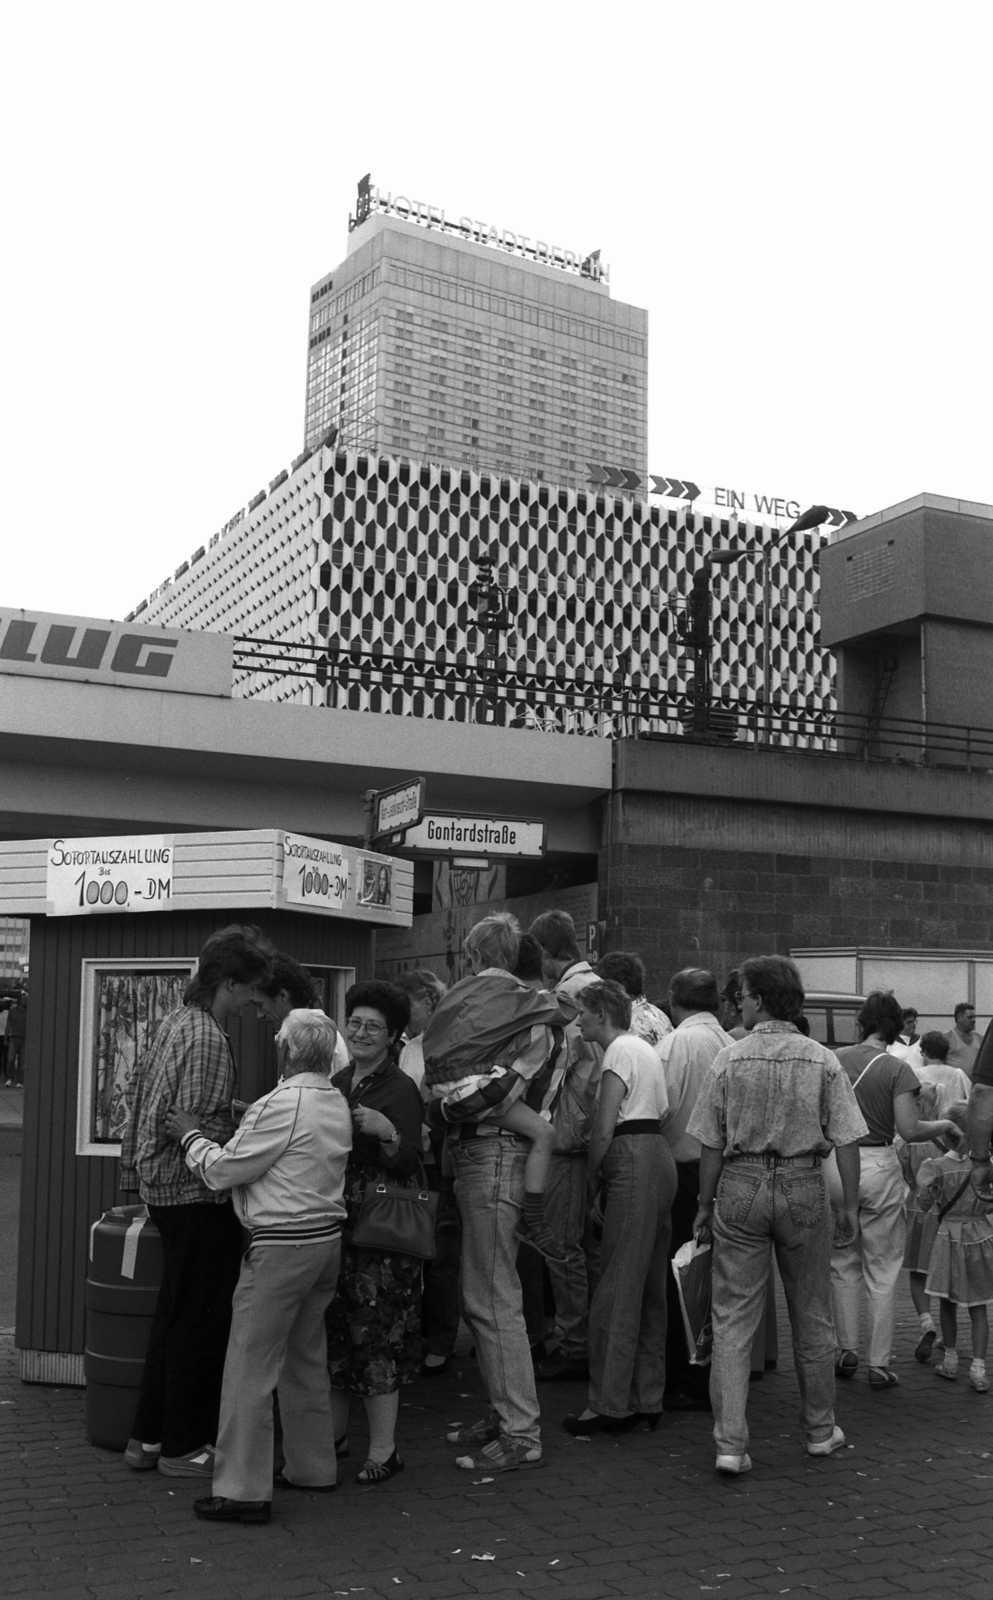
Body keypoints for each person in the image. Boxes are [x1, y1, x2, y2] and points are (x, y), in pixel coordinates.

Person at [164, 1010, 351, 1524]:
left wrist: (189, 1136)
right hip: (324, 1244)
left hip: (281, 1248)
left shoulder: (280, 1103)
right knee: (305, 1358)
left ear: (285, 1050)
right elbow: (293, 1141)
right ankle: (314, 1467)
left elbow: (224, 1171)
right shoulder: (333, 1100)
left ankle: (243, 1490)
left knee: (249, 1367)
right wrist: (252, 1117)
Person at [687, 954, 867, 1475]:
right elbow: (848, 1140)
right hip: (803, 1183)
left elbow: (711, 1144)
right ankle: (818, 1429)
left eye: (741, 995)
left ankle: (730, 1443)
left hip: (740, 1184)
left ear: (760, 1000)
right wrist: (848, 1205)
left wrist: (704, 1205)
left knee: (733, 1317)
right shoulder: (822, 1060)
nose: (736, 1003)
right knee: (812, 1312)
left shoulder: (729, 1059)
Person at [119, 926, 272, 1478]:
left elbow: (149, 1103)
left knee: (172, 1316)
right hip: (194, 1195)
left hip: (161, 1191)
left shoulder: (174, 1022)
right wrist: (248, 1131)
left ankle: (147, 1438)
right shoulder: (208, 1035)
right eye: (250, 989)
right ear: (227, 982)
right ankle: (185, 1447)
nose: (254, 1001)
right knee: (200, 1323)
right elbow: (193, 1129)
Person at [422, 912, 564, 1473]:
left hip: (494, 1156)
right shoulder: (521, 1010)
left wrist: (443, 1099)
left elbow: (492, 1095)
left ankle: (520, 1432)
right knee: (484, 1294)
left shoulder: (524, 1014)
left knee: (493, 1297)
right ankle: (505, 1412)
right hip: (491, 1154)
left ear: (475, 958)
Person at [827, 990, 964, 1390]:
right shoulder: (897, 1070)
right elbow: (908, 1129)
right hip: (879, 1164)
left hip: (836, 1165)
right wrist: (944, 1126)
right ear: (893, 1027)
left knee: (842, 1261)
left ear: (861, 1022)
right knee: (882, 1267)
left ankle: (845, 1348)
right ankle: (878, 1362)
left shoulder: (834, 1060)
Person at [561, 979, 676, 1434]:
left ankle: (609, 1404)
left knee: (614, 1288)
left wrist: (592, 1179)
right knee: (649, 1286)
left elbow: (604, 1127)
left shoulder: (618, 1053)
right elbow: (663, 1111)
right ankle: (648, 1395)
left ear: (603, 1014)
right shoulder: (646, 1049)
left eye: (584, 1013)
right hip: (657, 1156)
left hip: (630, 1156)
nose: (579, 1020)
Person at [325, 980, 425, 1484]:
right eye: (356, 1023)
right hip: (337, 1224)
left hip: (381, 1235)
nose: (361, 1033)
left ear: (392, 1036)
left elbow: (411, 1161)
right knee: (336, 1334)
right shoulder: (337, 1079)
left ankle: (384, 1450)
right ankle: (334, 1438)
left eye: (373, 1027)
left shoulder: (401, 1088)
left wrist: (387, 1131)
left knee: (377, 1336)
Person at [422, 915, 564, 1263]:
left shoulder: (457, 994)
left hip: (443, 1083)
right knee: (545, 1133)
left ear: (473, 954)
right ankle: (534, 1215)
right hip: (481, 1095)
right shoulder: (517, 998)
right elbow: (545, 1017)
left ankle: (446, 1201)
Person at [527, 910, 601, 1382]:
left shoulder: (566, 998)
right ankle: (584, 1337)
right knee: (582, 1247)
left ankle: (574, 1345)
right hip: (588, 1137)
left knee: (561, 1245)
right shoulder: (596, 985)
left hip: (567, 1138)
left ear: (549, 955)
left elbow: (564, 1068)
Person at [656, 967, 734, 1410]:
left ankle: (686, 1374)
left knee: (682, 1274)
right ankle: (717, 1369)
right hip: (728, 1172)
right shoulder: (730, 1043)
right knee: (719, 1276)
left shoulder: (675, 1044)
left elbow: (659, 1106)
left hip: (686, 1171)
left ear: (674, 998)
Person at [393, 969, 459, 1377]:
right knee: (416, 1246)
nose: (405, 1015)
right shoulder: (409, 1047)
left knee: (443, 1251)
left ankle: (441, 1337)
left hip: (443, 1157)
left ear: (430, 1002)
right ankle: (419, 1332)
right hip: (416, 1156)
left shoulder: (453, 1038)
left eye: (409, 1006)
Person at [917, 1103, 993, 1393]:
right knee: (978, 1306)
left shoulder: (936, 1167)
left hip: (948, 1235)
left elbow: (924, 1203)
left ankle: (950, 1360)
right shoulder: (985, 1167)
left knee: (947, 1301)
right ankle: (978, 1368)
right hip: (980, 1235)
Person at [256, 951, 348, 1074]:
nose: (259, 1014)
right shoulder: (324, 1031)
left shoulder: (300, 1036)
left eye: (260, 1005)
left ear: (283, 996)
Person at [597, 952, 672, 1050]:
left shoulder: (628, 1027)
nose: (599, 994)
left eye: (603, 988)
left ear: (619, 989)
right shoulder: (658, 1014)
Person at [912, 1031, 971, 1116]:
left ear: (925, 1052)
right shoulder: (958, 1074)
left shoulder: (916, 1075)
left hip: (927, 1125)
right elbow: (971, 1099)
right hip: (953, 1123)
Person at [945, 1003, 980, 1078]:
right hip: (955, 1085)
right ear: (959, 1017)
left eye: (974, 1017)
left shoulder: (979, 1038)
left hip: (974, 1085)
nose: (973, 1020)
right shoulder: (947, 1037)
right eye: (970, 1017)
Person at [6, 993, 26, 1088]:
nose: (25, 1001)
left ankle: (19, 1080)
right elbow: (8, 1025)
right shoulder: (12, 1011)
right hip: (13, 1038)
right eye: (23, 999)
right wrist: (6, 1038)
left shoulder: (28, 1012)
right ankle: (10, 1077)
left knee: (22, 1061)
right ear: (19, 1001)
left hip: (24, 1038)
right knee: (10, 1059)